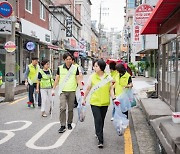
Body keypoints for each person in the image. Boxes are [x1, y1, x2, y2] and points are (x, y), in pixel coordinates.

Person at [83, 59, 114, 148]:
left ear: (101, 67)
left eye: (96, 66)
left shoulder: (108, 77)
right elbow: (88, 88)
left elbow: (111, 89)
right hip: (94, 102)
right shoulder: (92, 77)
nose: (94, 68)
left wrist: (114, 98)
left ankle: (98, 132)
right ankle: (100, 140)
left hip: (105, 102)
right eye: (94, 66)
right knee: (98, 119)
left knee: (102, 120)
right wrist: (84, 99)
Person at [52, 52, 83, 133]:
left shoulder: (75, 68)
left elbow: (78, 79)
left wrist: (81, 89)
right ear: (64, 60)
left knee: (70, 109)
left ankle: (69, 123)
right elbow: (57, 79)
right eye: (67, 59)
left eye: (70, 59)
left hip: (72, 91)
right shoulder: (60, 68)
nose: (69, 61)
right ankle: (62, 125)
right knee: (62, 108)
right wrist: (53, 89)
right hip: (62, 91)